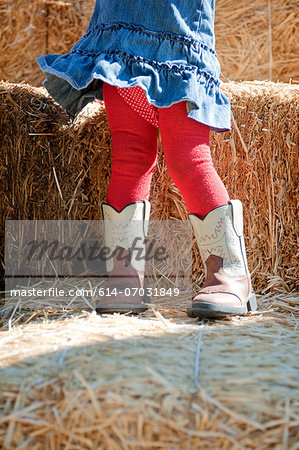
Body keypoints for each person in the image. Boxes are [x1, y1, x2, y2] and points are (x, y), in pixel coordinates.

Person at [37, 0, 257, 318]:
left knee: (188, 160)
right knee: (129, 158)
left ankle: (229, 273)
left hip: (176, 39)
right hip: (119, 38)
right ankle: (125, 277)